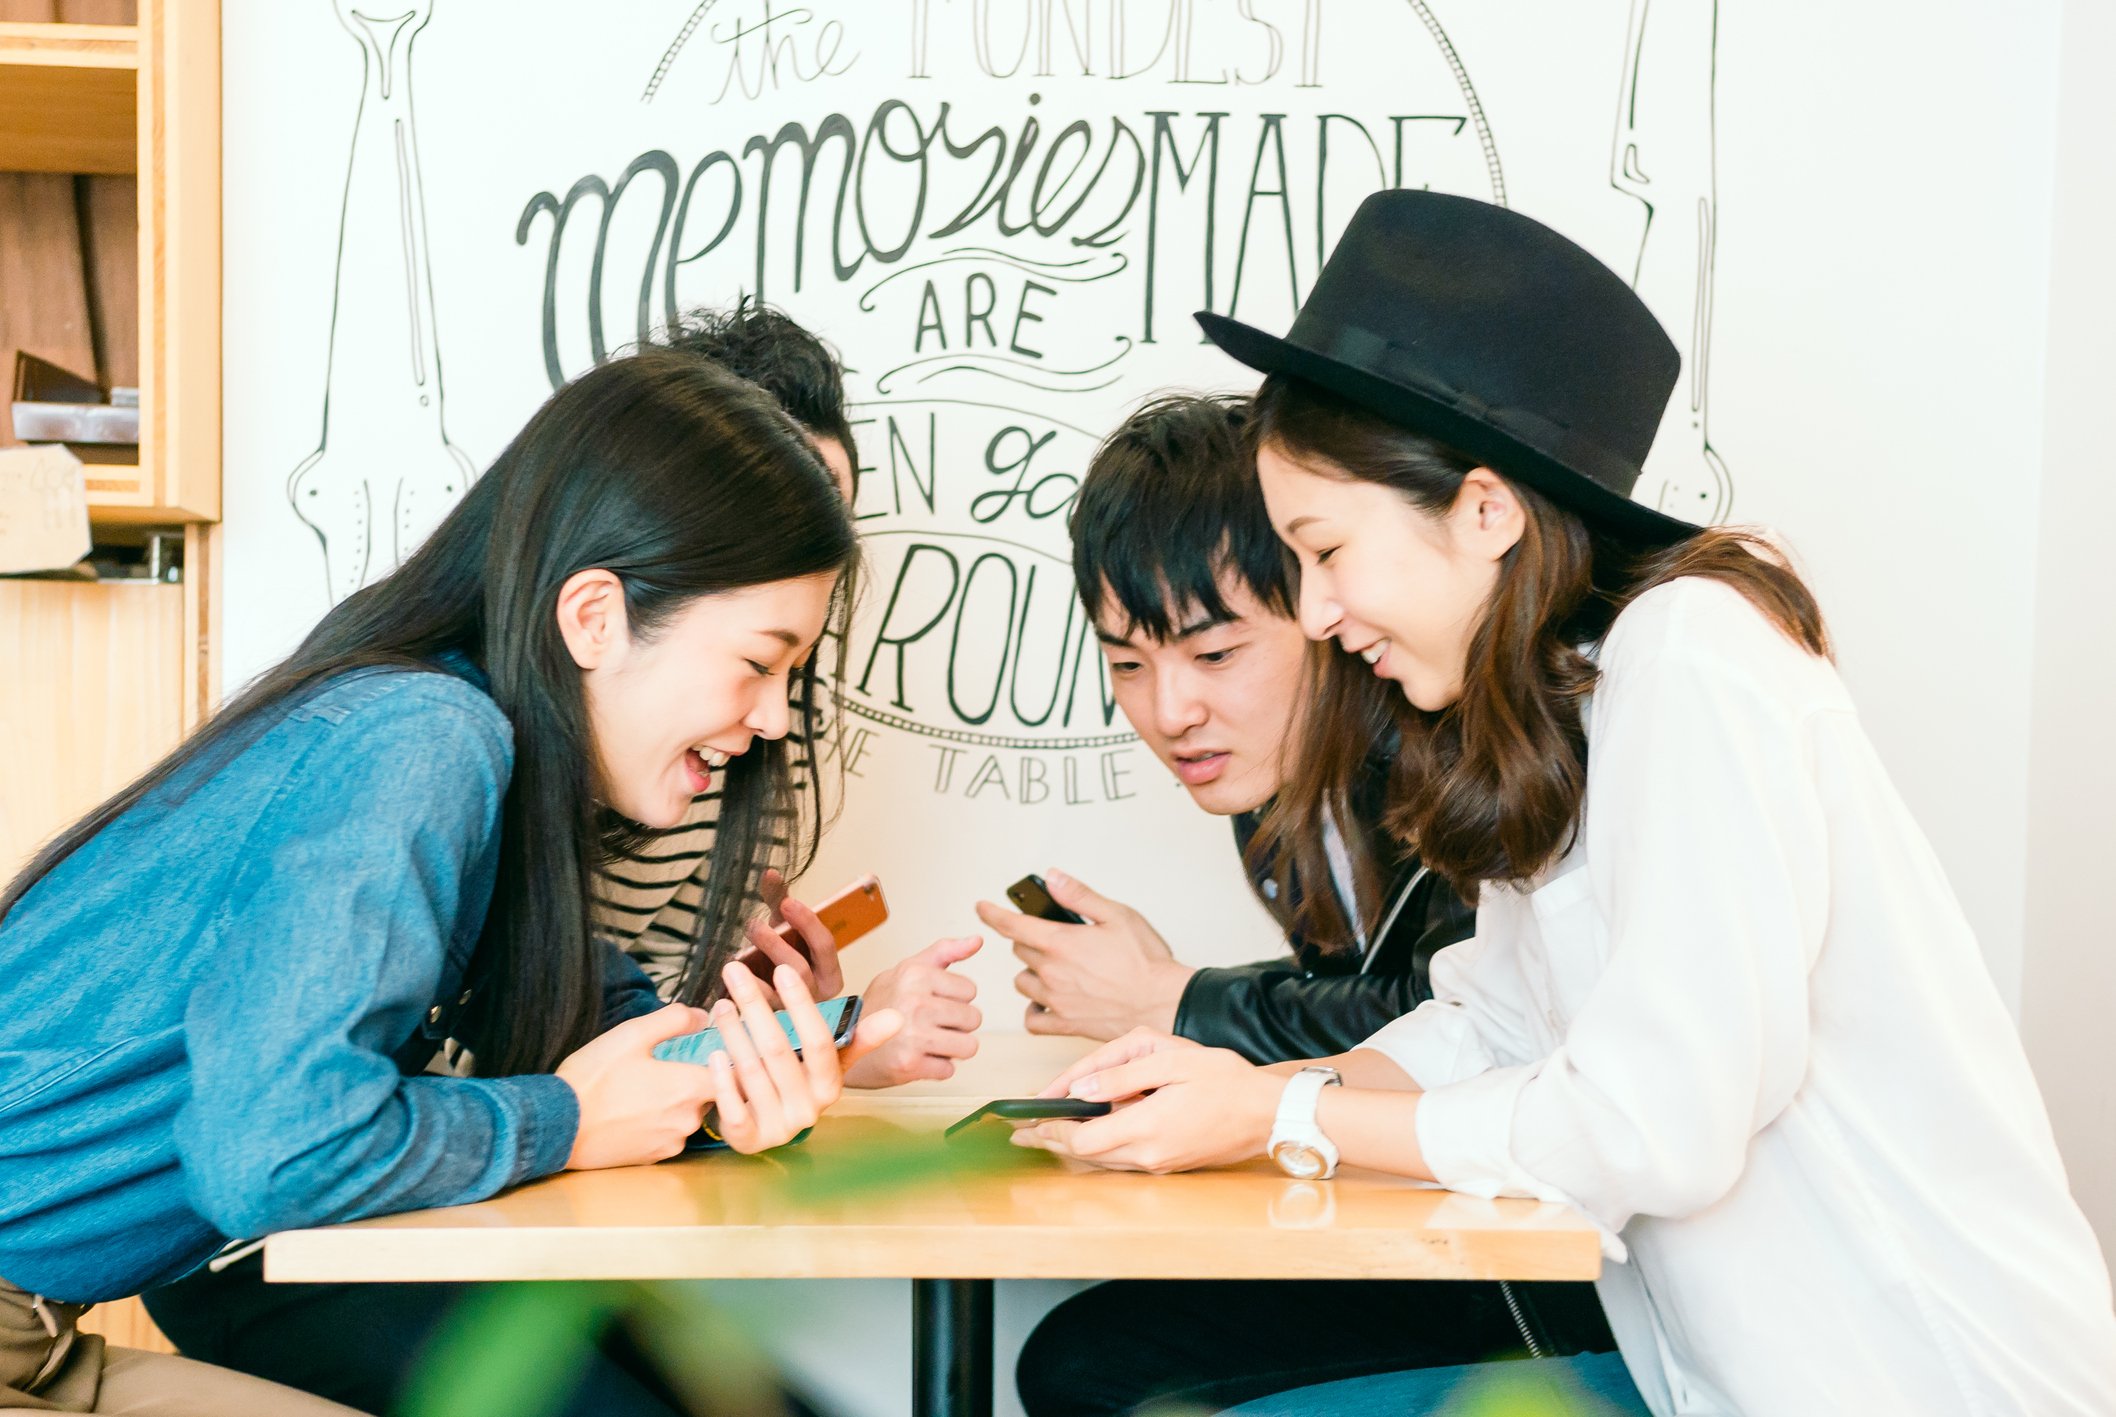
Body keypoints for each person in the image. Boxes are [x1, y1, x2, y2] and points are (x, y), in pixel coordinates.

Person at [1014, 191, 2116, 1415]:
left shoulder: (1692, 653)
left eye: (1325, 552)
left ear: (1485, 509)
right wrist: (1210, 1098)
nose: (1318, 614)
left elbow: (1656, 1125)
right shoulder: (1556, 708)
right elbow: (1485, 1029)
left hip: (1923, 1381)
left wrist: (1281, 1107)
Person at [0, 350, 901, 1415]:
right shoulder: (426, 736)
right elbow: (272, 1152)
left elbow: (606, 1028)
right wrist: (567, 1119)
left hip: (49, 1336)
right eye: (760, 661)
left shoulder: (486, 777)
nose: (772, 718)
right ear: (595, 616)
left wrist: (727, 1090)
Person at [996, 393, 1611, 1415]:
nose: (1169, 710)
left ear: (1324, 596)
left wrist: (1179, 1004)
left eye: (1214, 653)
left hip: (1558, 1277)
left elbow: (1487, 1029)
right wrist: (1184, 1027)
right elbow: (1422, 1006)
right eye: (1125, 665)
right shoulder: (1269, 788)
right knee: (1084, 1353)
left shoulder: (1463, 752)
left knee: (1093, 1366)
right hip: (1471, 1234)